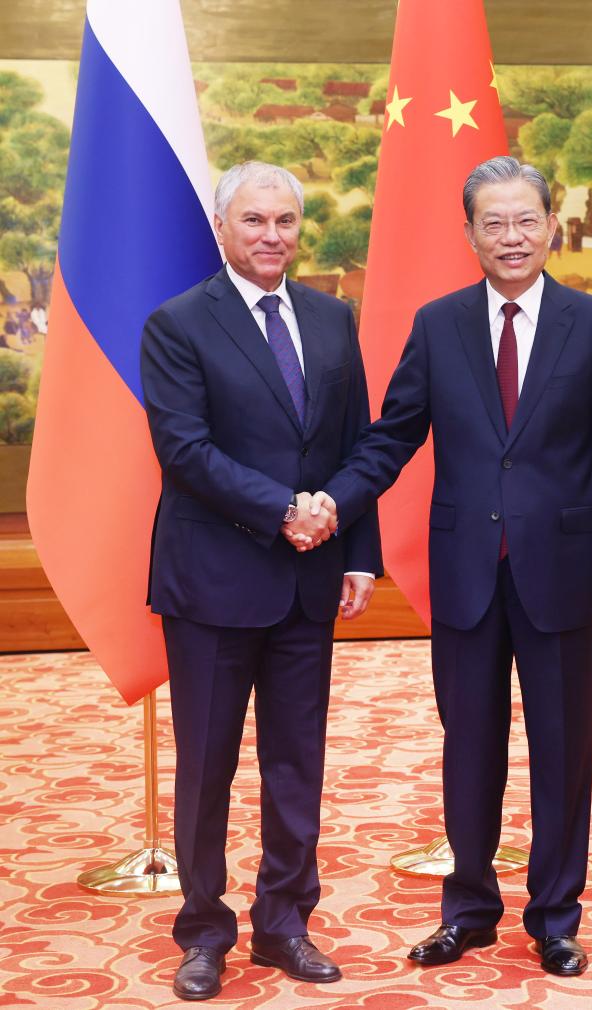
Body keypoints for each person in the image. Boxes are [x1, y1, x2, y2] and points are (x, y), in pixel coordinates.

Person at [303, 156, 592, 977]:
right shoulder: (439, 323)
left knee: (561, 748)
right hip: (464, 571)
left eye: (525, 220)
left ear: (551, 226)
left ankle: (554, 916)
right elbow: (392, 435)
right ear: (469, 235)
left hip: (561, 568)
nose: (511, 237)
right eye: (493, 223)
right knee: (469, 747)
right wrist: (333, 501)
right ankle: (468, 912)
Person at [140, 161, 382, 999]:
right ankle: (204, 931)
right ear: (222, 228)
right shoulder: (177, 323)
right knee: (207, 768)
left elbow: (355, 443)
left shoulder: (332, 316)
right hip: (212, 583)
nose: (271, 235)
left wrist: (355, 549)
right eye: (253, 220)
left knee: (296, 765)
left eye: (284, 220)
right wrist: (284, 509)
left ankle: (284, 923)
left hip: (308, 581)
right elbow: (184, 450)